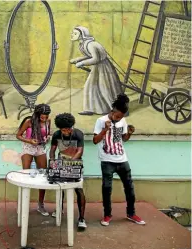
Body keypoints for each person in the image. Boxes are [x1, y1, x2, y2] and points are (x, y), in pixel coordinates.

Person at [93, 93, 145, 226]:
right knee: (107, 189)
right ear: (112, 111)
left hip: (122, 159)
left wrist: (129, 133)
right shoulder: (100, 120)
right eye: (117, 116)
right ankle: (107, 215)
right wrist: (105, 129)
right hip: (107, 160)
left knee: (129, 188)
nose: (118, 119)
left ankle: (131, 213)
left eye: (121, 117)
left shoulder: (122, 121)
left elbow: (123, 139)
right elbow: (95, 140)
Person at [70, 26, 123, 116]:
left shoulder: (90, 44)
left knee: (105, 88)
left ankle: (116, 110)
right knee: (90, 86)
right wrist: (78, 59)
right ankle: (90, 109)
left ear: (82, 35)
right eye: (73, 33)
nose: (72, 35)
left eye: (75, 33)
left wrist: (82, 63)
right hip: (97, 67)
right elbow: (90, 56)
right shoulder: (83, 44)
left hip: (104, 68)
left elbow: (96, 59)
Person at [49, 113, 87, 229]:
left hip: (75, 164)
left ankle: (81, 218)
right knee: (61, 188)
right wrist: (52, 161)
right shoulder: (56, 135)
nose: (65, 132)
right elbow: (52, 150)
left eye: (68, 129)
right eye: (63, 130)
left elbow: (80, 151)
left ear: (72, 127)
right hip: (61, 163)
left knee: (78, 189)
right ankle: (59, 209)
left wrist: (70, 163)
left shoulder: (78, 134)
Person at [16, 104, 51, 216]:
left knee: (43, 175)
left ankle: (40, 205)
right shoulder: (28, 121)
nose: (44, 119)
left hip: (40, 148)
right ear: (37, 114)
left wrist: (47, 138)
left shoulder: (48, 121)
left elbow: (48, 133)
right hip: (28, 148)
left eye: (46, 117)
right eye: (42, 117)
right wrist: (29, 141)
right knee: (25, 175)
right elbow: (18, 135)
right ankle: (23, 203)